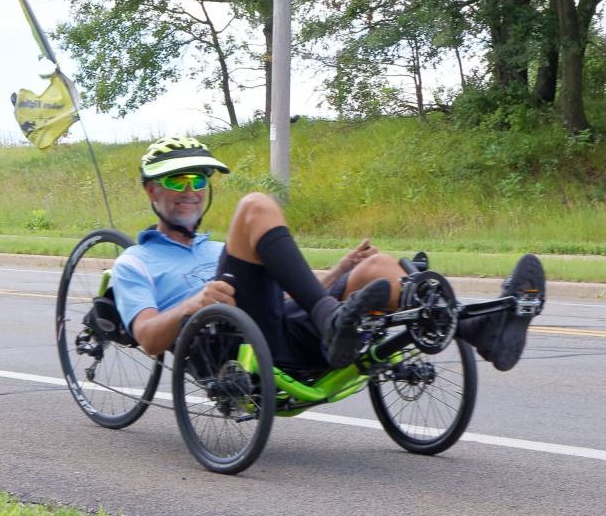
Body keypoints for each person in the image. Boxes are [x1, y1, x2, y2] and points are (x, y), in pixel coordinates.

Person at [110, 136, 537, 375]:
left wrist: (340, 272)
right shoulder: (135, 263)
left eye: (199, 180)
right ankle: (332, 318)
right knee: (256, 204)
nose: (190, 190)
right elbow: (147, 338)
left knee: (375, 269)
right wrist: (195, 302)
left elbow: (287, 300)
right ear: (152, 190)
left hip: (289, 331)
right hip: (231, 348)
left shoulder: (221, 249)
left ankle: (482, 327)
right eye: (178, 179)